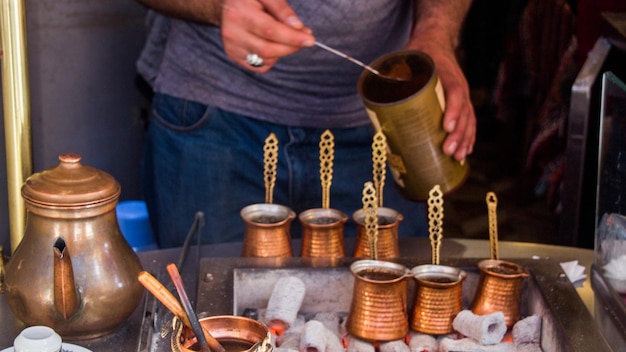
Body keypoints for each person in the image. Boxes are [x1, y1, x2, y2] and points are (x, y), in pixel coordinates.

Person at [135, 0, 476, 248]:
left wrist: (437, 34)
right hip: (214, 123)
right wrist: (217, 6)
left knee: (388, 326)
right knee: (208, 316)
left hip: (383, 128)